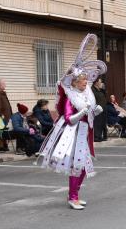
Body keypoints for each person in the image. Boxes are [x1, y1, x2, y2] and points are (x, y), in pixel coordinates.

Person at [37, 34, 106, 210]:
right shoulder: (70, 97)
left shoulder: (85, 94)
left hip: (85, 132)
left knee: (83, 166)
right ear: (75, 82)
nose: (86, 82)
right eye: (83, 80)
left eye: (86, 80)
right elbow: (68, 119)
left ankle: (74, 194)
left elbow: (89, 113)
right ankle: (72, 197)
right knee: (78, 166)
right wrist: (82, 111)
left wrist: (94, 111)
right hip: (74, 134)